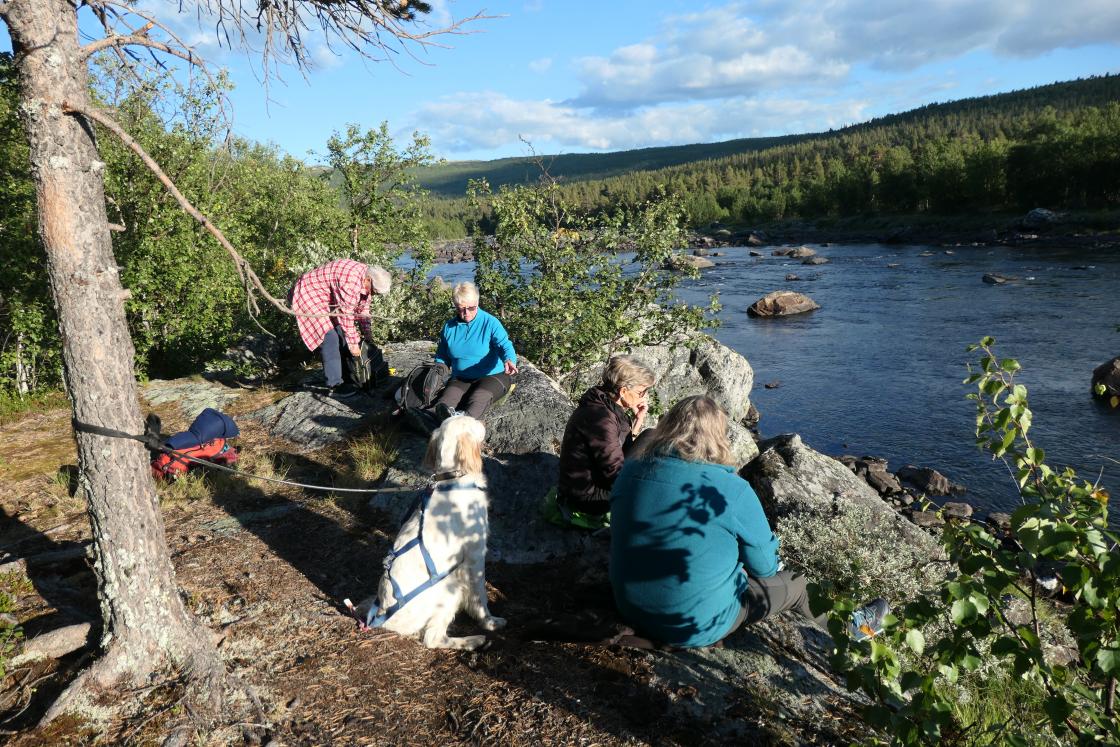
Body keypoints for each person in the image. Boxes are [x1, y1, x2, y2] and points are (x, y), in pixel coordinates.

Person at [609, 395, 888, 649]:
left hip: (629, 606)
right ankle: (854, 630)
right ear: (719, 436)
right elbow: (765, 568)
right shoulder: (731, 489)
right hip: (694, 624)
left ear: (667, 428)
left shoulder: (632, 470)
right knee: (798, 584)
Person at [556, 355, 655, 522]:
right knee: (652, 487)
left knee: (650, 435)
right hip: (588, 496)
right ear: (623, 391)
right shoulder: (600, 419)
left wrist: (638, 421)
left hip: (596, 482)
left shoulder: (606, 404)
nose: (644, 397)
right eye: (641, 392)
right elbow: (614, 471)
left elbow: (619, 447)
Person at [289, 259, 391, 400]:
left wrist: (368, 334)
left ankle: (349, 376)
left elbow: (363, 310)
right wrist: (354, 344)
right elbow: (346, 314)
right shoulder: (350, 281)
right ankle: (335, 385)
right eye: (373, 291)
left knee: (343, 335)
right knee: (329, 337)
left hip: (329, 299)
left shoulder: (366, 279)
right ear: (368, 279)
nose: (373, 294)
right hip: (308, 294)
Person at [431, 281, 518, 420]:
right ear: (455, 306)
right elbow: (442, 355)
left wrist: (509, 359)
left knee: (478, 399)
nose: (466, 313)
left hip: (492, 376)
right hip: (461, 378)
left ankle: (463, 425)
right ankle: (434, 424)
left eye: (471, 308)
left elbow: (504, 345)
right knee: (445, 403)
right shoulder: (449, 327)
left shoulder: (490, 322)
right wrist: (438, 370)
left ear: (477, 303)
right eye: (461, 309)